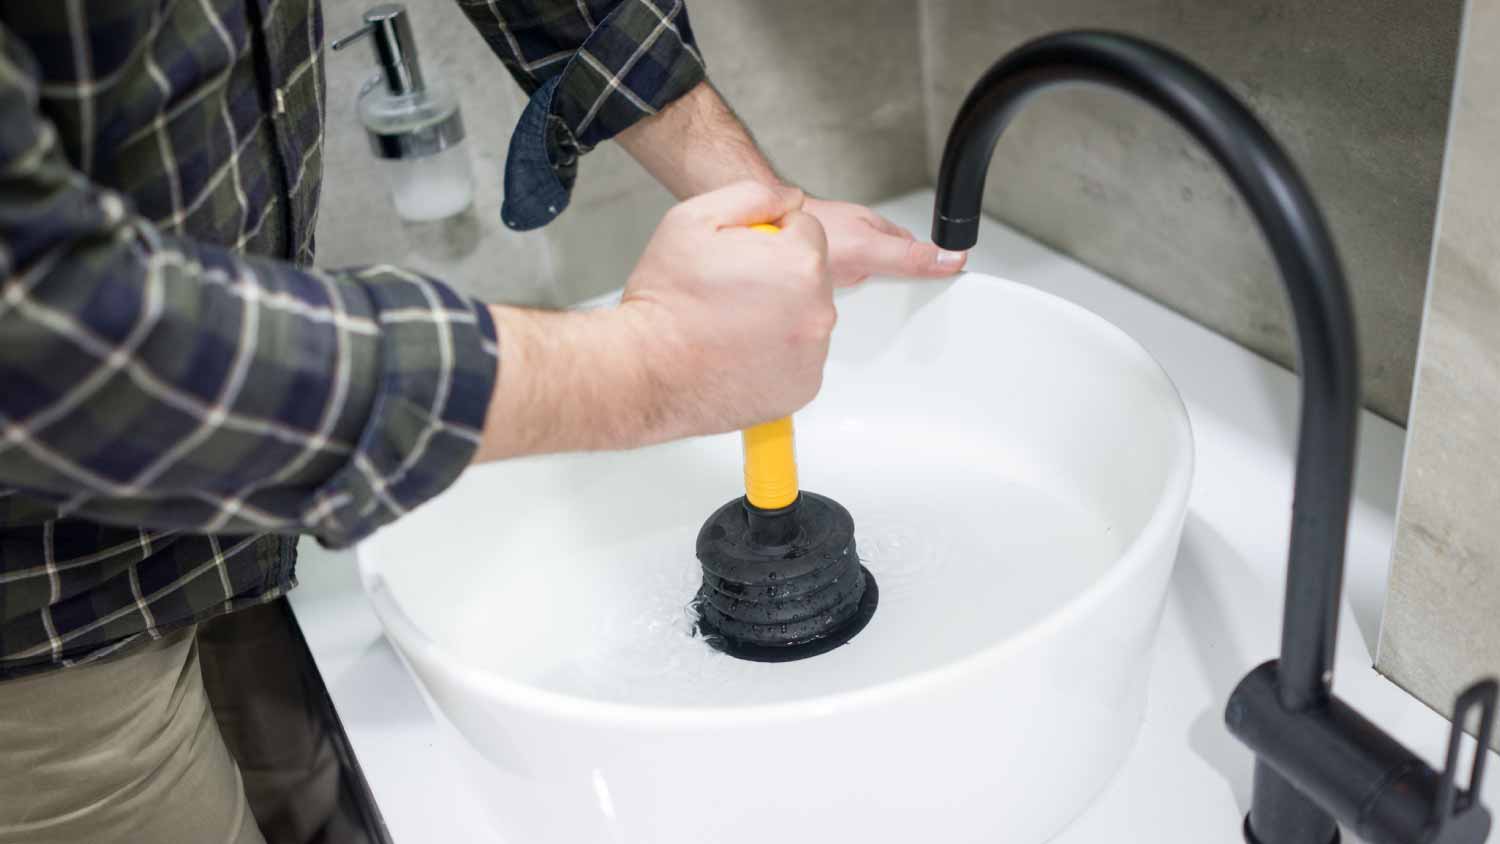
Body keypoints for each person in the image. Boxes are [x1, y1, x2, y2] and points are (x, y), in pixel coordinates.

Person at [0, 2, 966, 842]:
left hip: (247, 469)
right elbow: (40, 325)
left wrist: (762, 213)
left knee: (306, 772)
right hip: (48, 608)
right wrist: (652, 367)